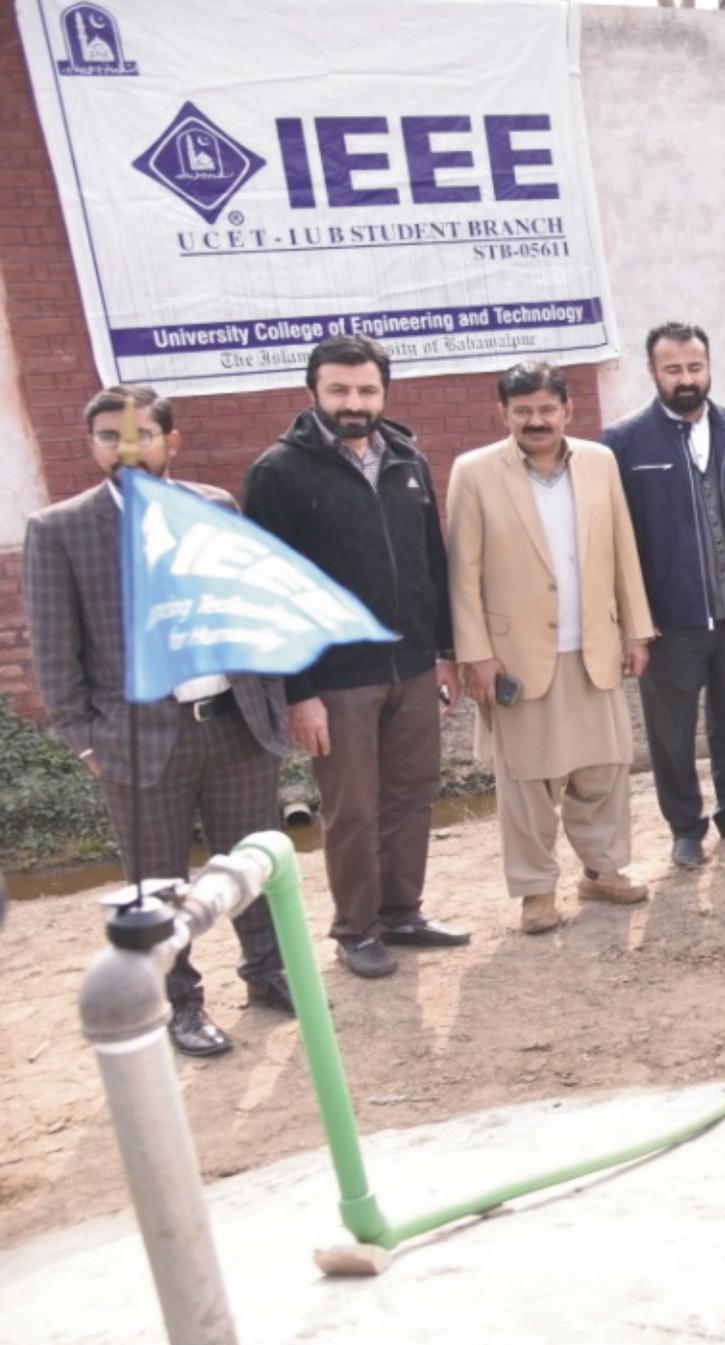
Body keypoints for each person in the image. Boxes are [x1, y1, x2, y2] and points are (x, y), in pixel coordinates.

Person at [24, 387, 293, 1055]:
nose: (127, 449)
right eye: (110, 437)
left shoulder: (217, 508)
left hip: (234, 727)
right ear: (93, 446)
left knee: (250, 863)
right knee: (158, 884)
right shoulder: (59, 531)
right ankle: (181, 1004)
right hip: (138, 743)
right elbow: (55, 651)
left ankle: (268, 973)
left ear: (172, 442)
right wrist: (86, 743)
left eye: (142, 434)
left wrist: (269, 707)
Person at [244, 336, 467, 979]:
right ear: (313, 389)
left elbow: (433, 561)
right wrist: (297, 690)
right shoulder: (279, 472)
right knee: (353, 809)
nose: (354, 402)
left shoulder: (406, 459)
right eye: (340, 389)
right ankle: (355, 929)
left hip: (414, 666)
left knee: (412, 794)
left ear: (383, 393)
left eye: (366, 390)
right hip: (336, 682)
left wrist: (445, 653)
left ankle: (402, 913)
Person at [447, 362, 656, 935]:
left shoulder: (599, 462)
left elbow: (623, 549)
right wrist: (476, 654)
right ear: (504, 415)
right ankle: (536, 891)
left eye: (546, 410)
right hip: (517, 658)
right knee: (529, 783)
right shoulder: (475, 472)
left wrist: (636, 629)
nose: (536, 421)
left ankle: (602, 869)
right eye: (522, 411)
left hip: (595, 645)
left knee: (603, 770)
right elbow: (462, 573)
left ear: (568, 411)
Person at [602, 322, 725, 869]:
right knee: (671, 731)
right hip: (669, 622)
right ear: (652, 372)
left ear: (708, 366)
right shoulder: (624, 442)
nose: (686, 380)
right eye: (673, 370)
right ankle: (685, 826)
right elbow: (614, 539)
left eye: (694, 368)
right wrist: (632, 618)